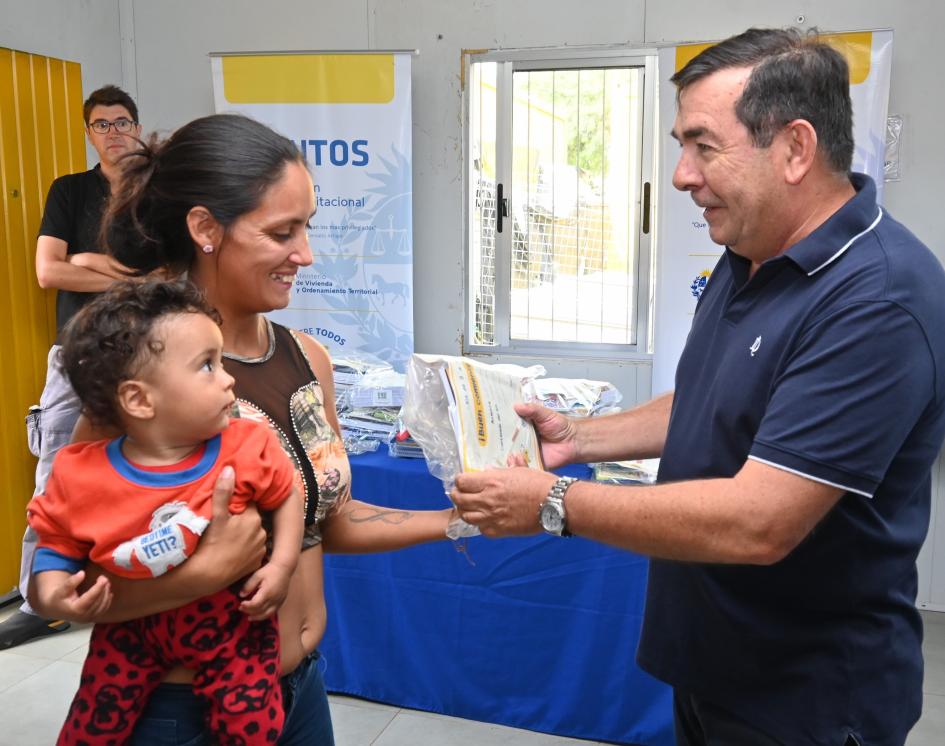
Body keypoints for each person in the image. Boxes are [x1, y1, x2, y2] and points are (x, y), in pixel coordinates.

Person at [452, 27, 945, 746]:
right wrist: (580, 438)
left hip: (804, 697)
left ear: (794, 149)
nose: (680, 175)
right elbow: (719, 399)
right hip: (713, 662)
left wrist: (554, 503)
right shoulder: (749, 249)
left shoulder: (875, 299)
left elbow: (758, 521)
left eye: (702, 145)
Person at [30, 113, 456, 745]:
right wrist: (198, 578)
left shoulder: (306, 359)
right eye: (282, 231)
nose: (305, 254)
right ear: (205, 228)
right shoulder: (140, 379)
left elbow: (327, 520)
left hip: (302, 690)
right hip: (183, 713)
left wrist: (461, 521)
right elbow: (46, 582)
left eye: (307, 227)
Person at [28, 280, 303, 744]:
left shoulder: (245, 445)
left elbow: (287, 493)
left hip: (231, 624)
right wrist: (56, 593)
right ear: (139, 399)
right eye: (207, 366)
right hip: (128, 631)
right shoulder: (83, 472)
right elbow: (56, 542)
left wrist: (282, 564)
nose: (228, 378)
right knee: (90, 726)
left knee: (252, 725)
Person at [0, 85, 142, 650]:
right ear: (89, 133)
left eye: (122, 122)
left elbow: (170, 277)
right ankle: (42, 599)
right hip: (76, 354)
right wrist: (124, 273)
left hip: (143, 353)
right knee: (57, 471)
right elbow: (48, 272)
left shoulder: (154, 195)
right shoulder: (70, 191)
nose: (113, 132)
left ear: (137, 127)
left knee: (147, 467)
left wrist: (89, 261)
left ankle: (131, 584)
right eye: (101, 124)